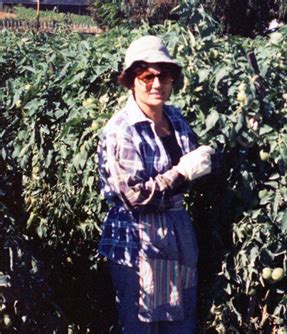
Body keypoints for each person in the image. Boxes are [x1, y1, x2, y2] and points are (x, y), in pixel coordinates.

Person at [98, 35, 214, 333]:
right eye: (147, 76)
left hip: (176, 234)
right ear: (131, 80)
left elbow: (193, 165)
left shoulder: (175, 119)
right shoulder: (122, 129)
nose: (156, 84)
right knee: (143, 323)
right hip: (140, 239)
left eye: (164, 76)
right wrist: (181, 173)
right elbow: (132, 196)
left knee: (180, 319)